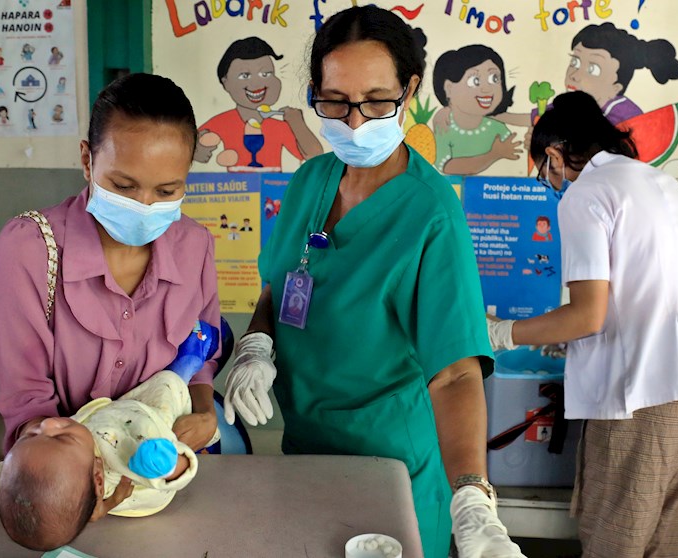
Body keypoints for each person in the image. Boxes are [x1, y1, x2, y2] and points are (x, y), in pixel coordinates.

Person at [221, 6, 524, 558]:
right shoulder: (312, 179)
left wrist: (472, 498)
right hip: (306, 449)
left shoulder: (431, 213)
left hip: (393, 468)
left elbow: (455, 373)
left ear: (408, 91)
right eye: (336, 100)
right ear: (315, 91)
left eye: (377, 100)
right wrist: (257, 344)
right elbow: (278, 285)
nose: (355, 122)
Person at [487, 91, 678, 558]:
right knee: (667, 541)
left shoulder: (586, 194)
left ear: (554, 154)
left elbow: (587, 314)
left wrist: (502, 332)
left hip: (645, 399)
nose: (548, 181)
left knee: (615, 540)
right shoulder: (661, 183)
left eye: (542, 170)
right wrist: (570, 343)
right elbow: (647, 293)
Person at [0, 73, 221, 457]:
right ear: (86, 160)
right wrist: (90, 470)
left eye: (167, 191)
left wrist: (205, 416)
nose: (144, 205)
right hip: (62, 475)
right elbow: (26, 403)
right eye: (124, 186)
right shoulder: (29, 250)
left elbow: (200, 355)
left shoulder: (194, 246)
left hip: (164, 472)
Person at [0, 369, 215, 551]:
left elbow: (27, 478)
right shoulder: (116, 460)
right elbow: (175, 479)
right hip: (145, 471)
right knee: (168, 399)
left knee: (25, 479)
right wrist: (167, 465)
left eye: (33, 434)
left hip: (96, 452)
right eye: (59, 437)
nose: (47, 426)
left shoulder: (67, 458)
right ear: (97, 476)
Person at [194, 37, 323, 171]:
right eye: (244, 75)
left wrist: (297, 123)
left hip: (272, 187)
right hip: (234, 189)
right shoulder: (223, 122)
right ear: (225, 82)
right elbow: (191, 148)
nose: (256, 84)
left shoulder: (279, 127)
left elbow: (315, 156)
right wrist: (199, 149)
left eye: (265, 74)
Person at [564, 23, 678, 125]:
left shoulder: (629, 118)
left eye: (593, 69)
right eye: (575, 62)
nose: (574, 76)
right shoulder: (558, 108)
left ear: (616, 88)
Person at [431, 45, 522, 175]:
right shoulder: (443, 125)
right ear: (449, 88)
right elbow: (447, 166)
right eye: (475, 80)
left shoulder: (496, 127)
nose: (487, 89)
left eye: (494, 79)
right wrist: (493, 155)